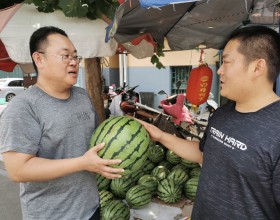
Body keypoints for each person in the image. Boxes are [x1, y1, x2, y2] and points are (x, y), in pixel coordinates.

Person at [138, 25, 280, 219]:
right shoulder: (221, 114)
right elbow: (205, 154)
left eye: (227, 62)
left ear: (257, 67)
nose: (220, 71)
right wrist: (160, 136)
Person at [0, 26, 124, 220]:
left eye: (75, 56)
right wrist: (82, 163)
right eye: (65, 56)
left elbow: (95, 142)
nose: (73, 62)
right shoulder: (23, 108)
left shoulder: (83, 96)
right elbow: (18, 170)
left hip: (91, 209)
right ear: (39, 59)